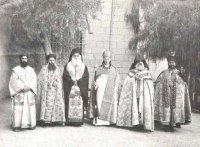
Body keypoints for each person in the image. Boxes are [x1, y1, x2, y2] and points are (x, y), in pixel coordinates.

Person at [154, 52, 192, 131]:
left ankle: (177, 122)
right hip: (166, 95)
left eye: (173, 62)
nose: (171, 64)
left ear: (175, 63)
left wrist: (177, 84)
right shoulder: (164, 72)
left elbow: (183, 85)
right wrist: (163, 84)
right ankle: (167, 124)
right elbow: (158, 82)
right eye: (170, 62)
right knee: (167, 108)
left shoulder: (179, 73)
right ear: (168, 63)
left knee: (176, 108)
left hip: (176, 96)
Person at [116, 54, 154, 131]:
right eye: (138, 62)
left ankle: (143, 124)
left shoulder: (147, 73)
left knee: (142, 108)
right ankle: (135, 124)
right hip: (134, 95)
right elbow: (127, 83)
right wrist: (133, 79)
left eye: (141, 62)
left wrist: (144, 80)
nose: (139, 63)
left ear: (144, 63)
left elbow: (150, 84)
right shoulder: (131, 73)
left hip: (143, 96)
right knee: (135, 107)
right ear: (135, 64)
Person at [88, 50, 121, 126]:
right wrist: (95, 84)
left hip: (110, 90)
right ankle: (99, 121)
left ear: (110, 58)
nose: (107, 59)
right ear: (103, 58)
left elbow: (117, 80)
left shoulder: (114, 69)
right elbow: (95, 79)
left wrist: (115, 87)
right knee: (99, 103)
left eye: (108, 57)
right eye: (105, 57)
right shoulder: (99, 68)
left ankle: (107, 121)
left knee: (109, 104)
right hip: (100, 90)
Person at [9, 54, 37, 131]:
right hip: (20, 92)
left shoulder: (32, 70)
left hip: (29, 92)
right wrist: (22, 88)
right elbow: (13, 81)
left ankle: (29, 124)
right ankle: (17, 126)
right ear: (20, 59)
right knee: (19, 109)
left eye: (25, 58)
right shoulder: (15, 70)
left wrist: (29, 87)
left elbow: (34, 80)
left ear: (27, 60)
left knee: (29, 108)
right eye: (22, 58)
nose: (24, 60)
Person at [37, 54, 65, 126]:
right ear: (48, 61)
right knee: (47, 105)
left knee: (54, 105)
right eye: (50, 60)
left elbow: (60, 80)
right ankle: (46, 121)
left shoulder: (57, 69)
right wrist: (46, 83)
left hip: (55, 91)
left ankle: (54, 120)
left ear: (55, 61)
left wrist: (57, 82)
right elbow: (40, 79)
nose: (51, 62)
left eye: (53, 60)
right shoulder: (44, 69)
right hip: (46, 91)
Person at [63, 48, 89, 126]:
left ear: (80, 56)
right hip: (70, 88)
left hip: (80, 88)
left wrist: (79, 81)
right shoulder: (67, 65)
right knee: (69, 103)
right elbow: (65, 76)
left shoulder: (84, 66)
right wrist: (71, 81)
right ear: (72, 56)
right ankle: (69, 121)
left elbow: (86, 77)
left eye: (78, 56)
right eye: (75, 56)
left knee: (79, 104)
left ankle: (78, 122)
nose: (76, 57)